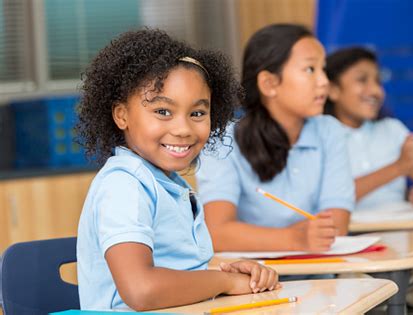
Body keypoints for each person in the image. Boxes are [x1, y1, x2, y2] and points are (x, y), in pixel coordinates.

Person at [75, 28, 279, 312]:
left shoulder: (170, 185)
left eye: (197, 113)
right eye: (162, 112)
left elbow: (176, 268)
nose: (183, 129)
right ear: (121, 115)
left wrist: (223, 272)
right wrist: (225, 283)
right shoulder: (125, 185)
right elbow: (142, 290)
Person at [196, 23, 354, 253]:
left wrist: (251, 235)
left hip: (322, 273)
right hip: (252, 283)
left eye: (323, 69)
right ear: (269, 84)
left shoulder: (330, 131)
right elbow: (218, 233)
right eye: (310, 69)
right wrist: (296, 239)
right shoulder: (223, 140)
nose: (324, 81)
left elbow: (336, 226)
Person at [324, 47, 413, 213]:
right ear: (333, 90)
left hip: (400, 232)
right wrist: (399, 167)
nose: (376, 91)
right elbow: (326, 200)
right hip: (350, 236)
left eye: (378, 81)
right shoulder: (322, 135)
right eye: (362, 80)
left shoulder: (392, 130)